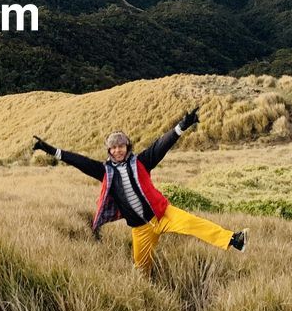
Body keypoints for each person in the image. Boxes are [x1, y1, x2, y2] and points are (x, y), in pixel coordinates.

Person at [32, 107, 246, 277]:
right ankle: (148, 294)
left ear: (127, 147)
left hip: (162, 214)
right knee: (141, 269)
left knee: (193, 223)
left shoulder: (142, 161)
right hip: (141, 229)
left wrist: (182, 126)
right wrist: (49, 150)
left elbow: (161, 144)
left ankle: (233, 240)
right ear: (109, 151)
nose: (118, 150)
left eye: (121, 146)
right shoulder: (104, 172)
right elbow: (78, 161)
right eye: (113, 148)